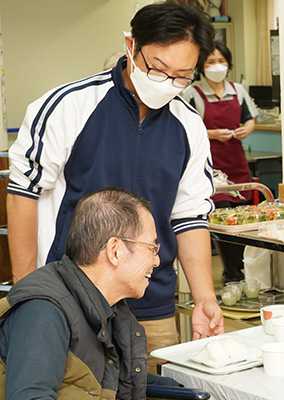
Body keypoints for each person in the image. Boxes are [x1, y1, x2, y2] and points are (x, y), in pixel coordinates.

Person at [6, 2, 224, 374]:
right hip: (67, 303)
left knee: (154, 390)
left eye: (182, 76)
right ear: (130, 46)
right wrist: (27, 293)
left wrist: (204, 296)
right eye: (157, 68)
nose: (167, 83)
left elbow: (190, 217)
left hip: (152, 305)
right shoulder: (68, 106)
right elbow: (22, 195)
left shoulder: (189, 126)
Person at [0, 187, 158, 398]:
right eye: (151, 248)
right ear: (115, 251)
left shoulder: (109, 306)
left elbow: (120, 380)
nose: (156, 261)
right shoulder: (44, 309)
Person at [182, 41, 259, 284]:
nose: (217, 66)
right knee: (222, 217)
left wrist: (246, 130)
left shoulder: (238, 90)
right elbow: (185, 128)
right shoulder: (192, 93)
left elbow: (250, 118)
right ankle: (231, 271)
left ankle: (243, 270)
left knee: (243, 218)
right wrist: (213, 134)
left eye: (222, 61)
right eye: (211, 62)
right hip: (211, 167)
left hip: (237, 163)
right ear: (201, 67)